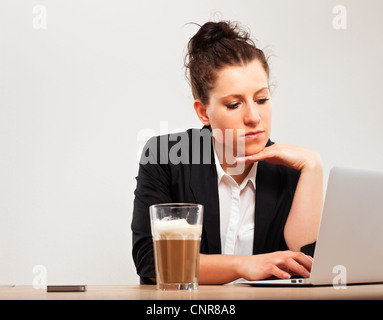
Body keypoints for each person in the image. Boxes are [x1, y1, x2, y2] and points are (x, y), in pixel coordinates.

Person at [131, 20, 323, 285]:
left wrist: (313, 167)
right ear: (203, 112)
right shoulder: (166, 156)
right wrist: (244, 265)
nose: (254, 117)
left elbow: (307, 265)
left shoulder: (292, 169)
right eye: (234, 104)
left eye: (262, 99)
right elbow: (152, 262)